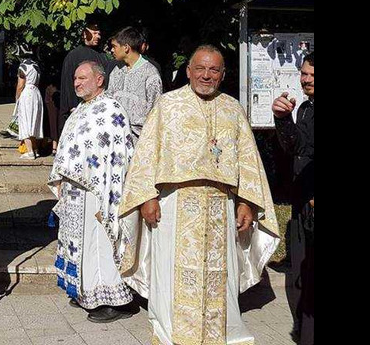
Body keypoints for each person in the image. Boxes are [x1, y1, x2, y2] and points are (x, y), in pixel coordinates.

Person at [118, 45, 280, 345]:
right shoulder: (168, 104)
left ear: (222, 74)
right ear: (189, 71)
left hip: (222, 204)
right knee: (171, 274)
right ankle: (171, 332)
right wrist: (146, 197)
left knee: (222, 274)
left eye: (214, 70)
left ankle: (221, 331)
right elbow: (145, 155)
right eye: (201, 69)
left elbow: (247, 161)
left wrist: (246, 202)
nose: (206, 75)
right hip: (175, 203)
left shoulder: (233, 109)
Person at [50, 61, 135, 323]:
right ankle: (87, 290)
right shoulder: (81, 110)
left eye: (83, 78)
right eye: (75, 79)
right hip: (75, 191)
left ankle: (112, 299)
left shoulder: (111, 109)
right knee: (81, 244)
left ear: (100, 80)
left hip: (98, 191)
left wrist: (106, 191)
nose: (77, 83)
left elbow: (117, 155)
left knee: (99, 244)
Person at [273, 51, 314, 345]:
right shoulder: (305, 109)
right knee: (302, 270)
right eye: (304, 74)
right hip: (302, 199)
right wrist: (283, 119)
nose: (306, 80)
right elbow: (296, 146)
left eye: (313, 75)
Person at [107, 26, 163, 142]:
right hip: (116, 139)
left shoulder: (150, 74)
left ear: (126, 47)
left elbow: (156, 110)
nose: (112, 50)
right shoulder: (116, 71)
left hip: (140, 141)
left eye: (114, 46)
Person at [58, 21, 112, 137]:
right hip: (78, 107)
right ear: (84, 34)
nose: (98, 36)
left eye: (99, 33)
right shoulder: (73, 56)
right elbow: (68, 83)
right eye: (94, 33)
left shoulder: (102, 56)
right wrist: (72, 106)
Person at [14, 59, 44, 160]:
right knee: (34, 122)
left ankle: (30, 151)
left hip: (27, 94)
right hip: (36, 93)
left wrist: (17, 98)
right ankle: (35, 149)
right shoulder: (36, 67)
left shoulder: (23, 67)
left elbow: (20, 85)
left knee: (25, 122)